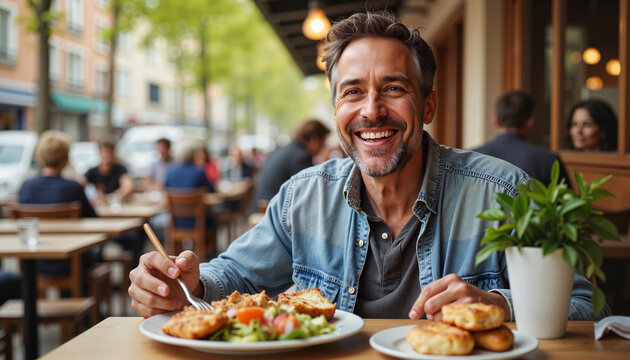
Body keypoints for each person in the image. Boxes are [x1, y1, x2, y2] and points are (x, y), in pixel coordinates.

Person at [129, 11, 601, 321]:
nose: (371, 110)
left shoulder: (503, 193)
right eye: (352, 92)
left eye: (394, 88)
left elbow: (583, 305)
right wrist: (188, 285)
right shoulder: (303, 197)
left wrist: (498, 306)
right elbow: (231, 276)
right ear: (336, 111)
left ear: (429, 105)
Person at [18, 130, 98, 278]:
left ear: (41, 157)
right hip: (72, 261)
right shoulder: (73, 187)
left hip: (35, 261)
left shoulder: (26, 187)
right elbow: (93, 220)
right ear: (66, 159)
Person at [473, 90, 571, 187]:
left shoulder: (473, 157)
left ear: (495, 121)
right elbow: (567, 201)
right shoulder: (548, 160)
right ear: (530, 122)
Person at [251, 119, 330, 211]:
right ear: (314, 139)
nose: (323, 148)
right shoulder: (301, 157)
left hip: (259, 210)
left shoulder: (280, 149)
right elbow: (312, 193)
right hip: (274, 214)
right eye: (323, 143)